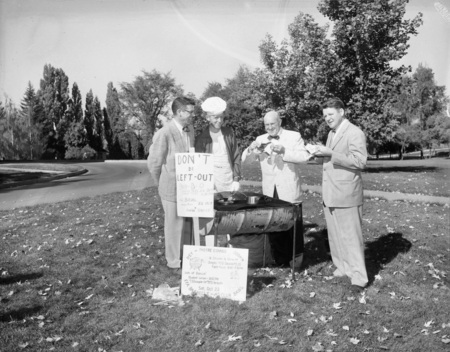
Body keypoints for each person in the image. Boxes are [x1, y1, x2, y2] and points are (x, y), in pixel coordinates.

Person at [311, 98, 369, 293]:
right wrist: (318, 153)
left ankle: (359, 278)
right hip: (331, 192)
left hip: (347, 193)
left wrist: (330, 153)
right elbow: (330, 159)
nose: (327, 118)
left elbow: (360, 161)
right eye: (325, 115)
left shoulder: (355, 132)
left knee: (351, 237)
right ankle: (343, 267)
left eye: (330, 114)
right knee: (335, 235)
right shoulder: (331, 133)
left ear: (342, 112)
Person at [241, 110, 311, 267]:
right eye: (266, 125)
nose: (269, 127)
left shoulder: (294, 136)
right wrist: (252, 150)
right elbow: (247, 163)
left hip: (288, 187)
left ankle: (296, 260)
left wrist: (284, 151)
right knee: (274, 225)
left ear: (280, 122)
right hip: (269, 189)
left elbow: (304, 157)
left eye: (272, 123)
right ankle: (279, 259)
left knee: (293, 225)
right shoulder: (260, 139)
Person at [147, 96, 196, 275]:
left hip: (189, 187)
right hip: (170, 188)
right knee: (174, 225)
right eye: (189, 112)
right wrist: (161, 183)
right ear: (178, 112)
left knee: (187, 225)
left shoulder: (190, 129)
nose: (192, 115)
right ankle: (174, 262)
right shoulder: (164, 133)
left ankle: (187, 256)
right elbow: (154, 164)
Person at [195, 96, 241, 246]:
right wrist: (208, 185)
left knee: (231, 215)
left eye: (221, 117)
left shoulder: (229, 133)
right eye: (215, 118)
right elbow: (200, 163)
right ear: (208, 118)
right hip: (211, 181)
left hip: (227, 178)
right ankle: (210, 250)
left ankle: (232, 247)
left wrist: (236, 178)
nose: (219, 121)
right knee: (210, 217)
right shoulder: (202, 138)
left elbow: (236, 156)